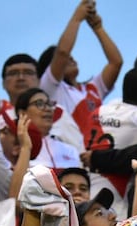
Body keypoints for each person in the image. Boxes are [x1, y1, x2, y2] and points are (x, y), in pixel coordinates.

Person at [38, 0, 123, 151]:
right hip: (72, 154)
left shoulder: (92, 88)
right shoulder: (51, 90)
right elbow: (63, 52)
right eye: (64, 59)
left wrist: (98, 28)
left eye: (72, 56)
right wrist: (76, 18)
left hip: (99, 154)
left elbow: (116, 63)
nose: (70, 58)